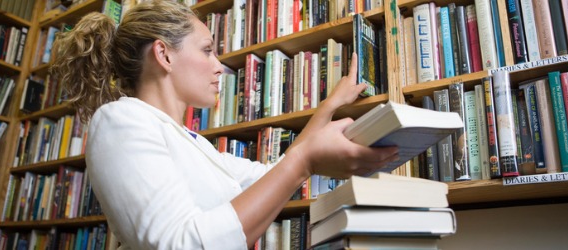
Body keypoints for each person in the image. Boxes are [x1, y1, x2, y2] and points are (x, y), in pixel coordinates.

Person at [51, 0, 399, 249]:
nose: (220, 67)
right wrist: (305, 160)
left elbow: (272, 176)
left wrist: (329, 106)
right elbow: (180, 244)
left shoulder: (193, 142)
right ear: (164, 54)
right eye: (207, 50)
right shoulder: (120, 119)